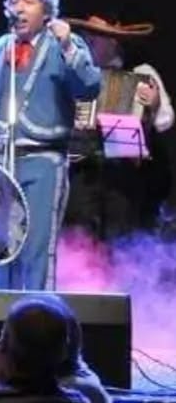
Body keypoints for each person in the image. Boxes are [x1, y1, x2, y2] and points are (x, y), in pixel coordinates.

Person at [0, 0, 101, 290]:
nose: (20, 8)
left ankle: (38, 326)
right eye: (14, 1)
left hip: (43, 162)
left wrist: (68, 44)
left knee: (36, 251)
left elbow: (90, 87)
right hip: (0, 161)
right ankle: (3, 326)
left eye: (29, 1)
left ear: (46, 11)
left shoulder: (64, 44)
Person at [64, 15, 174, 240]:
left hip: (124, 178)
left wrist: (154, 103)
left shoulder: (141, 72)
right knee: (79, 236)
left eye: (96, 36)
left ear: (113, 41)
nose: (88, 40)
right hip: (83, 173)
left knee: (119, 239)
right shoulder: (76, 74)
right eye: (87, 36)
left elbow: (165, 122)